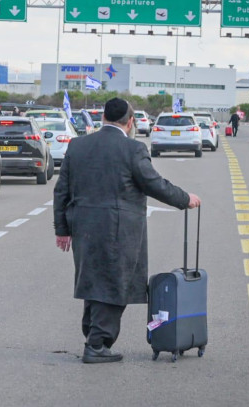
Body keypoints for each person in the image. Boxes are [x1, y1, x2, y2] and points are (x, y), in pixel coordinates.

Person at [53, 98, 201, 364]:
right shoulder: (132, 149)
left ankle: (93, 338)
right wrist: (184, 199)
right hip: (118, 230)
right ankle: (97, 344)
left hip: (83, 228)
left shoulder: (78, 145)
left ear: (103, 118)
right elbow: (154, 184)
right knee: (114, 284)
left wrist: (62, 230)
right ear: (130, 121)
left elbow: (61, 191)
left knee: (93, 281)